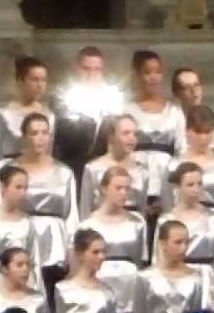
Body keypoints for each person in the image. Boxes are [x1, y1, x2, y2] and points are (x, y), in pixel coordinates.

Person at [6, 113, 79, 307]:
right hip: (21, 238)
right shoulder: (10, 169)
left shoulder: (64, 172)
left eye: (45, 133)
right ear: (24, 136)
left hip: (55, 242)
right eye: (34, 133)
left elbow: (71, 215)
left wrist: (71, 251)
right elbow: (1, 208)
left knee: (52, 300)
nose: (40, 138)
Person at [78, 166, 149, 313]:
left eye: (127, 189)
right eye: (118, 188)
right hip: (100, 284)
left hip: (129, 288)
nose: (124, 193)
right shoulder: (88, 224)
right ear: (103, 189)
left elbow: (140, 259)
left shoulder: (137, 222)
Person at [133, 219, 212, 313]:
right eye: (178, 242)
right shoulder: (144, 277)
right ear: (163, 243)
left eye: (186, 242)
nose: (183, 248)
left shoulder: (196, 277)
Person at [153, 162, 214, 296]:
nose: (196, 189)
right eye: (190, 185)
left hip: (207, 281)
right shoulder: (166, 220)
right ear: (178, 187)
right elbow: (158, 257)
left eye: (199, 184)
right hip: (175, 280)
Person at [124, 50, 186, 213]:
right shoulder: (126, 110)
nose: (153, 77)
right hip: (135, 177)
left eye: (157, 72)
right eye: (147, 72)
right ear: (137, 75)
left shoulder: (174, 110)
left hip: (166, 179)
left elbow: (182, 149)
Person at [0, 56, 55, 196]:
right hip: (9, 179)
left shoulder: (50, 116)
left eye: (44, 80)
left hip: (40, 181)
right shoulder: (1, 115)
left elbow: (49, 153)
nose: (40, 85)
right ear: (20, 81)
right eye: (35, 80)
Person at [54, 46, 123, 182]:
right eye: (86, 69)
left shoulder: (113, 97)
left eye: (97, 69)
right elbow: (62, 137)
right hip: (73, 165)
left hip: (105, 166)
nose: (92, 74)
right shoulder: (66, 97)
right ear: (78, 69)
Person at [0, 165, 43, 299]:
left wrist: (37, 288)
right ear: (3, 188)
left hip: (24, 284)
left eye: (25, 188)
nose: (22, 193)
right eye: (18, 187)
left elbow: (35, 258)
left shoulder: (27, 222)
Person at [164, 106, 214, 225]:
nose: (203, 138)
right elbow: (167, 203)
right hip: (180, 225)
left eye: (207, 132)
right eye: (198, 132)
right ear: (187, 131)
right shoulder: (173, 166)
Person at [80, 115, 149, 215]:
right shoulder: (93, 169)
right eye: (126, 133)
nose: (132, 138)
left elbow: (142, 209)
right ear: (111, 136)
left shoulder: (142, 170)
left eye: (135, 134)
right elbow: (85, 210)